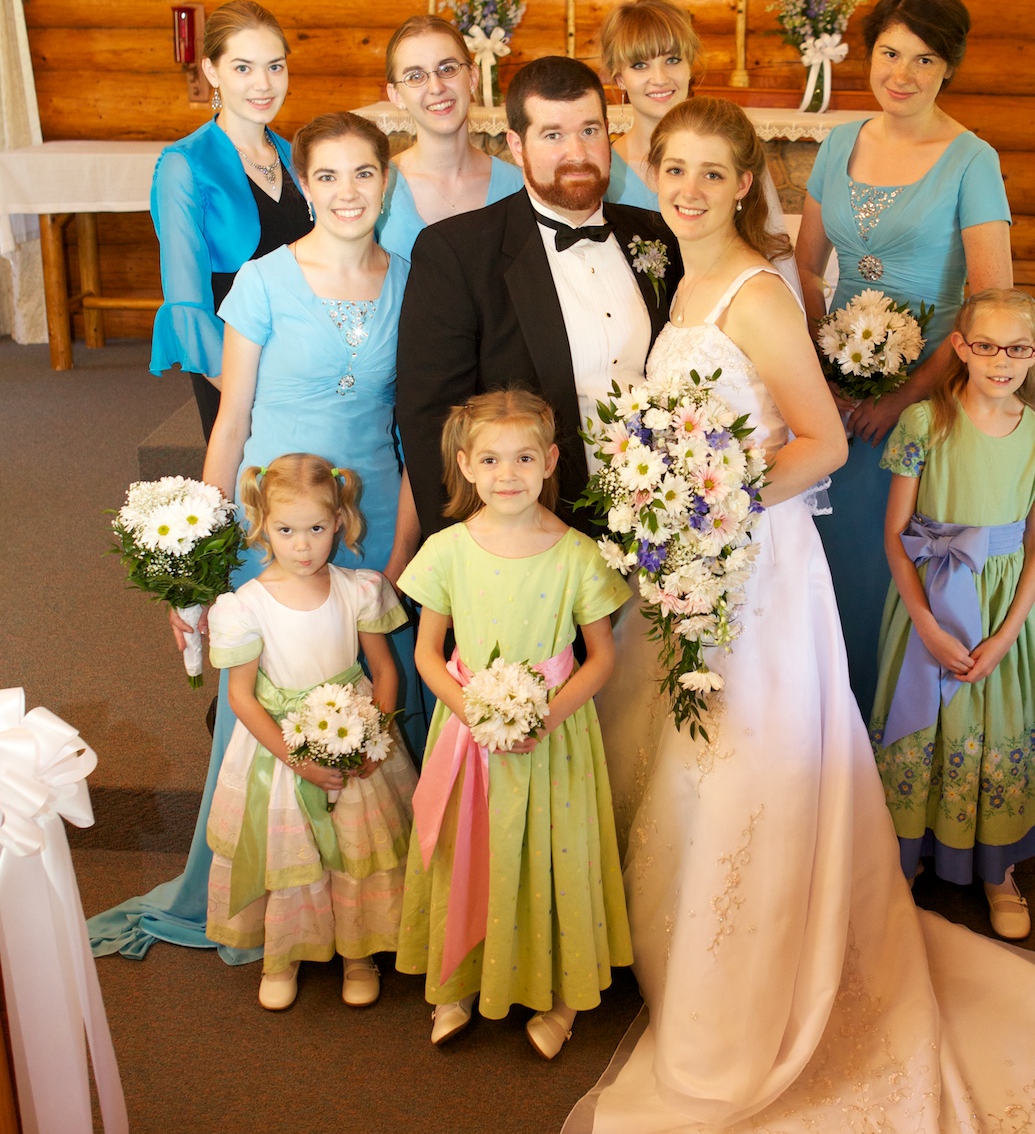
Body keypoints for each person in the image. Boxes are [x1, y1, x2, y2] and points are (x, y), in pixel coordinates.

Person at [558, 97, 1035, 1134]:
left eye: (712, 172)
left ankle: (748, 987)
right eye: (673, 168)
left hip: (752, 570)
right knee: (684, 754)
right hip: (695, 563)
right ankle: (682, 956)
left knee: (742, 761)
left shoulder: (756, 292)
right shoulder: (681, 286)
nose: (688, 188)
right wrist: (670, 505)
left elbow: (815, 441)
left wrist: (703, 503)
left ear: (744, 183)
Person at [89, 113, 423, 964]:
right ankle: (282, 907)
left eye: (364, 174)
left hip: (376, 516)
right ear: (303, 184)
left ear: (387, 182)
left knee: (377, 686)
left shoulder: (412, 280)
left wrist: (399, 552)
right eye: (328, 176)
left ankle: (375, 903)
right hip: (274, 523)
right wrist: (199, 565)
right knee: (278, 688)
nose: (347, 193)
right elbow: (230, 422)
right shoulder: (264, 281)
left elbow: (415, 426)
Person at [795, 0, 1014, 721]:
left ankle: (892, 716)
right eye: (890, 53)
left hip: (929, 390)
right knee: (825, 550)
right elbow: (805, 267)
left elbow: (989, 305)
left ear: (949, 67)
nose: (902, 74)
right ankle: (828, 713)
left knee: (891, 553)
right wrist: (819, 369)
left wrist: (905, 395)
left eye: (924, 59)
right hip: (835, 389)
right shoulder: (838, 143)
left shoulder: (972, 160)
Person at [396, 391, 631, 1058]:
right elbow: (427, 653)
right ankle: (457, 980)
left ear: (550, 461)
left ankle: (561, 992)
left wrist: (545, 717)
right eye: (492, 460)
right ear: (466, 465)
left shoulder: (578, 555)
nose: (508, 474)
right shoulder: (446, 551)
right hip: (467, 732)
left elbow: (601, 657)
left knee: (553, 852)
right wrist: (472, 711)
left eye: (525, 458)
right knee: (468, 847)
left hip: (555, 737)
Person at [395, 55, 682, 543]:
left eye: (590, 130)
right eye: (553, 135)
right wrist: (468, 554)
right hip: (531, 533)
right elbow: (432, 423)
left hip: (660, 522)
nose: (577, 153)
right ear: (516, 145)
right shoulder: (457, 253)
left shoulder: (657, 235)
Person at [871, 289, 1035, 940]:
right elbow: (895, 533)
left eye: (1016, 348)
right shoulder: (923, 423)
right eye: (986, 346)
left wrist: (1007, 634)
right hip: (930, 597)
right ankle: (904, 857)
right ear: (961, 347)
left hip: (1001, 611)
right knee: (923, 725)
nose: (1000, 360)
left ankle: (997, 868)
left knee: (994, 724)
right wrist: (927, 625)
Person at [205, 455, 417, 1010]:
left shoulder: (359, 590)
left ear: (340, 522)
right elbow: (241, 697)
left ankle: (358, 952)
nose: (302, 546)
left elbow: (385, 672)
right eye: (286, 531)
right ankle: (283, 953)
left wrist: (376, 739)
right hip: (281, 749)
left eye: (317, 529)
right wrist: (297, 760)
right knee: (289, 851)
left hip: (355, 734)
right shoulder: (244, 607)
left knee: (354, 846)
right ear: (263, 525)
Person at [149, 0, 312, 442]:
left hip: (306, 363)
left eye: (275, 66)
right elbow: (187, 304)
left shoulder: (295, 156)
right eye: (243, 68)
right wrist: (252, 395)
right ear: (212, 71)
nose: (263, 84)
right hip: (232, 370)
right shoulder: (184, 165)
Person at [374, 15, 520, 260]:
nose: (436, 87)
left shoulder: (518, 186)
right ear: (396, 95)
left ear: (472, 77)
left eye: (448, 69)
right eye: (415, 76)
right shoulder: (378, 187)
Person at [600, 0, 700, 210]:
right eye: (640, 65)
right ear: (620, 79)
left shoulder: (727, 153)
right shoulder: (602, 172)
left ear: (690, 66)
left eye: (672, 60)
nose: (660, 79)